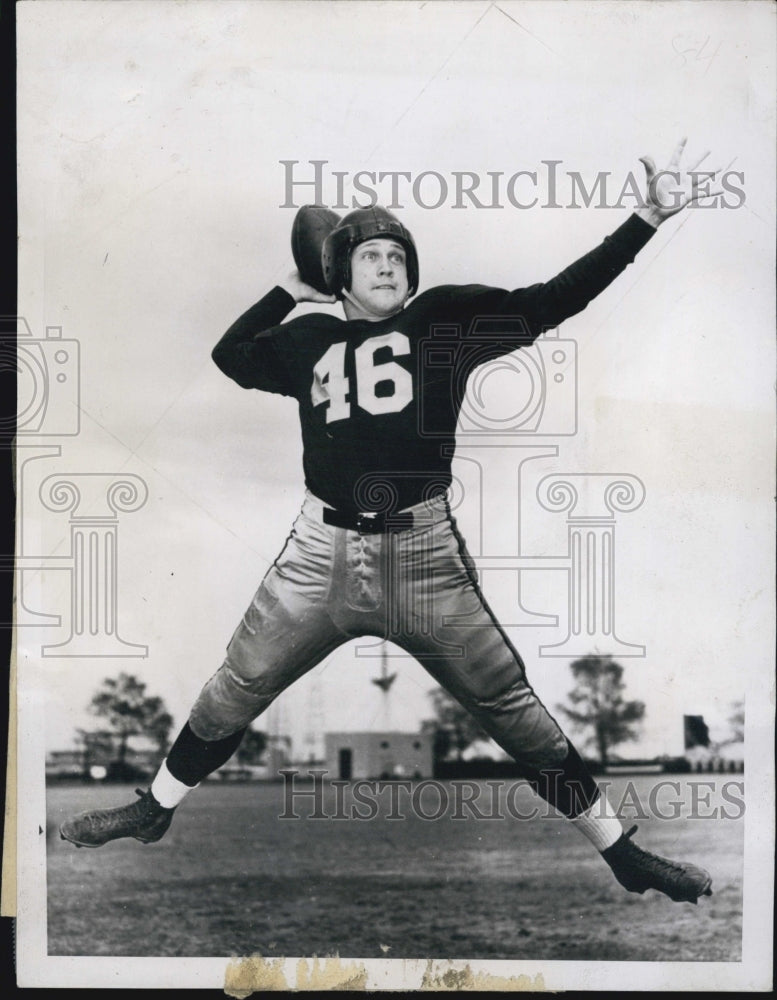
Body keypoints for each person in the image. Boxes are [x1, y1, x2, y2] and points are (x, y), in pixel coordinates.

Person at [61, 140, 714, 904]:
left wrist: (643, 219)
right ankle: (154, 808)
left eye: (397, 254)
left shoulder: (442, 322)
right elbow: (230, 354)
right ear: (339, 273)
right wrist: (291, 287)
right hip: (319, 552)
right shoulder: (307, 340)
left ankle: (622, 854)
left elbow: (550, 298)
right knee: (235, 686)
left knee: (512, 708)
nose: (386, 264)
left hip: (423, 553)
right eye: (368, 254)